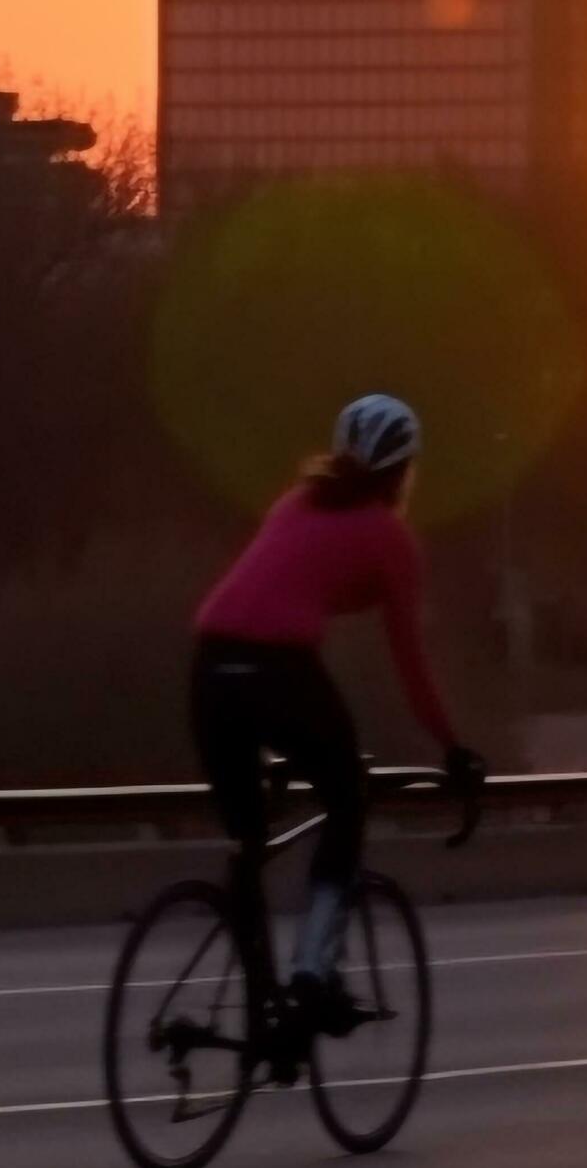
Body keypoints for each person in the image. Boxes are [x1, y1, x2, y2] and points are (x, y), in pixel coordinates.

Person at [189, 393, 486, 1050]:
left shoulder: (294, 503)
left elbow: (290, 585)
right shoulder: (391, 539)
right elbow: (410, 664)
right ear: (404, 471)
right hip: (279, 673)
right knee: (347, 797)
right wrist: (454, 746)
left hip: (210, 673)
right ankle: (308, 979)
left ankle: (262, 1013)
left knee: (249, 845)